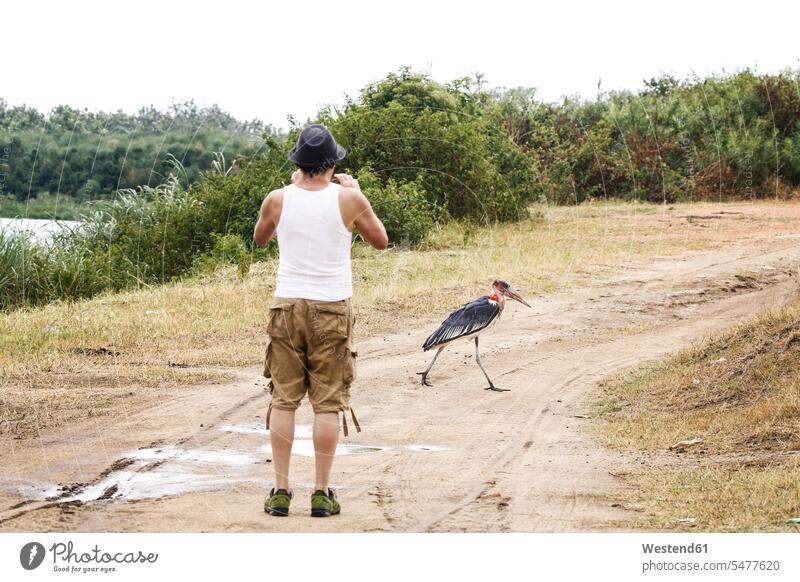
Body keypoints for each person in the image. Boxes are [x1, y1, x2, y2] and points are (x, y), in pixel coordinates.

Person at [253, 124, 388, 517]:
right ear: (331, 165)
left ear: (299, 164)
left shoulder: (277, 199)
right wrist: (356, 191)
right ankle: (321, 492)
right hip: (332, 307)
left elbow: (260, 237)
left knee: (284, 399)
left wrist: (289, 190)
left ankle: (280, 490)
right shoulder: (348, 199)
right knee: (328, 403)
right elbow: (380, 240)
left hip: (287, 306)